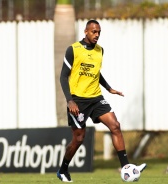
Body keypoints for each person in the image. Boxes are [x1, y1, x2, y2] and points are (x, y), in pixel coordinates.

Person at [57, 19, 146, 182]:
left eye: (99, 32)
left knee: (115, 126)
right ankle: (63, 169)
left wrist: (108, 88)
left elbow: (96, 73)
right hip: (78, 100)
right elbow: (63, 77)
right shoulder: (73, 50)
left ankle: (126, 167)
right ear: (86, 32)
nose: (97, 35)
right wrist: (70, 101)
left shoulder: (100, 51)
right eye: (93, 32)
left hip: (96, 98)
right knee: (78, 139)